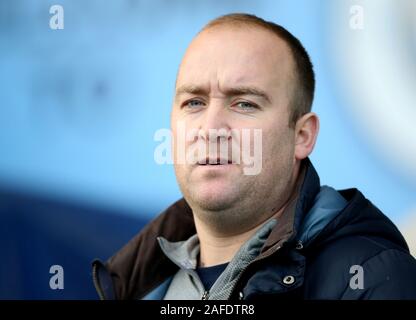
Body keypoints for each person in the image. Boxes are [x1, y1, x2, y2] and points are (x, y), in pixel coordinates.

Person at [92, 13, 416, 300]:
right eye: (194, 102)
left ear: (302, 136)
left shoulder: (371, 280)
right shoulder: (133, 285)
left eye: (244, 103)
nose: (211, 128)